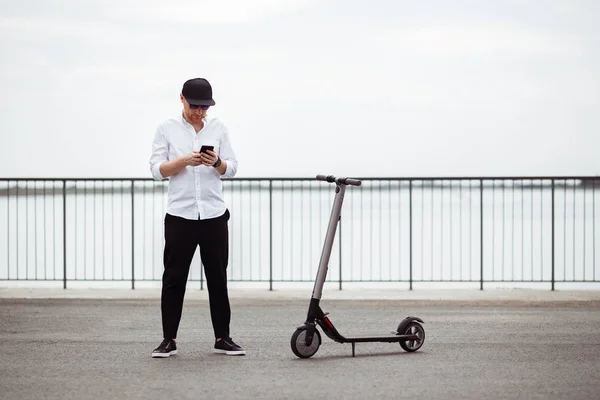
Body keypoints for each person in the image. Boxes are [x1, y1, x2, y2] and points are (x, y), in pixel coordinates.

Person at [148, 77, 245, 357]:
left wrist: (216, 162)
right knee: (174, 279)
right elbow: (156, 171)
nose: (200, 112)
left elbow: (232, 168)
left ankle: (222, 338)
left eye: (205, 107)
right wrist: (184, 162)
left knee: (218, 278)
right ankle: (169, 340)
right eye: (195, 106)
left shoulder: (218, 128)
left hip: (214, 214)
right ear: (182, 99)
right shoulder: (165, 128)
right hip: (180, 216)